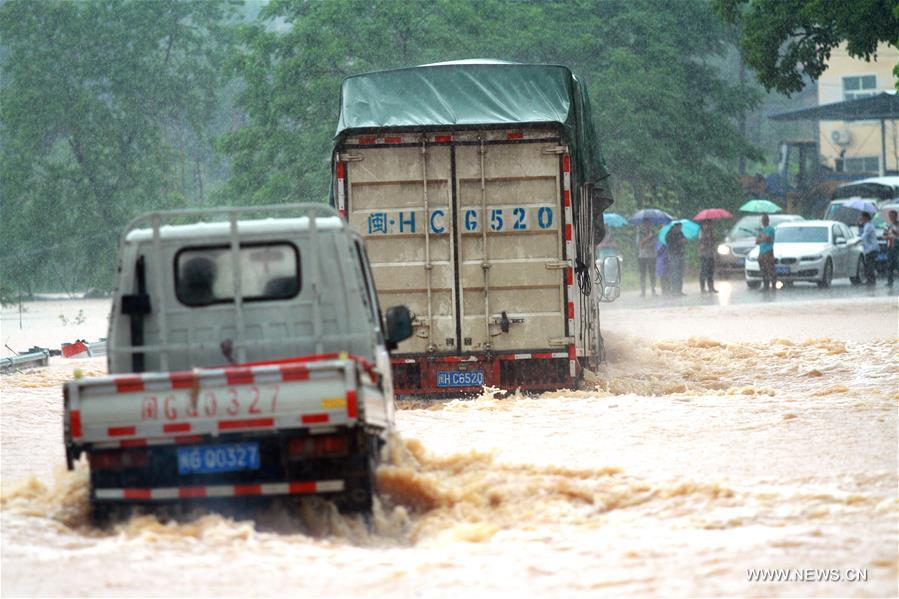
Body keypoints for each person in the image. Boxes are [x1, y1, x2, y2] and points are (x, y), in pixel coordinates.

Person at [665, 222, 687, 295]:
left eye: (680, 228)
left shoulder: (680, 233)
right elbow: (670, 244)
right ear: (675, 227)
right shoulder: (669, 234)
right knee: (675, 273)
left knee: (680, 273)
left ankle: (679, 290)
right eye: (679, 227)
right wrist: (679, 242)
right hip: (673, 255)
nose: (680, 229)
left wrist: (685, 241)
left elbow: (685, 240)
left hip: (680, 254)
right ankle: (674, 289)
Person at [857, 211, 878, 286]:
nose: (860, 218)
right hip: (868, 249)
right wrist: (859, 226)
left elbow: (863, 236)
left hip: (871, 249)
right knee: (869, 265)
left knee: (870, 265)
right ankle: (870, 280)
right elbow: (861, 234)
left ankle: (871, 281)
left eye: (861, 217)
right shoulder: (866, 225)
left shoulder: (868, 226)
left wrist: (856, 242)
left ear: (865, 218)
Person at [636, 220, 657, 297]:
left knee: (652, 274)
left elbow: (654, 243)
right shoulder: (640, 233)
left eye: (648, 223)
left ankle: (653, 290)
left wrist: (646, 243)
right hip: (642, 256)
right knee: (642, 274)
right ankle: (643, 291)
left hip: (652, 256)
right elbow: (640, 244)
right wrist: (648, 238)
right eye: (645, 223)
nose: (647, 225)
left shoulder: (653, 232)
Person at [756, 214, 776, 291]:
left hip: (768, 251)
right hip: (761, 252)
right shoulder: (761, 230)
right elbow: (757, 241)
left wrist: (762, 235)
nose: (763, 221)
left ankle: (773, 285)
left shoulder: (771, 229)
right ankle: (766, 285)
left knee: (770, 269)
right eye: (762, 220)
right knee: (763, 269)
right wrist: (761, 237)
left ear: (768, 220)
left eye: (764, 220)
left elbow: (768, 239)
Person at [698, 220, 718, 293]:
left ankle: (711, 287)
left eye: (709, 224)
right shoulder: (701, 233)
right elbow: (701, 242)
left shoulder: (711, 232)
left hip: (710, 254)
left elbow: (714, 241)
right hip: (704, 255)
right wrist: (707, 242)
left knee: (711, 271)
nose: (708, 226)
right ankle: (702, 288)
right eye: (706, 224)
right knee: (703, 271)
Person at [884, 209, 899, 286]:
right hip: (890, 247)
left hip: (897, 247)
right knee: (889, 265)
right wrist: (887, 236)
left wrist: (895, 233)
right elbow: (884, 236)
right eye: (890, 216)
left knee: (897, 263)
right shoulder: (888, 226)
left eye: (893, 216)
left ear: (896, 216)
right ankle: (890, 281)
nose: (891, 217)